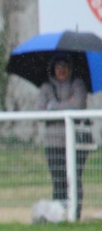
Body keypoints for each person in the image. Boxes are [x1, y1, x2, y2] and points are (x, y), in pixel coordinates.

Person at [37, 52, 91, 220]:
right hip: (53, 143)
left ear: (70, 68)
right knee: (58, 181)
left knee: (74, 180)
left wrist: (52, 106)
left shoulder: (78, 84)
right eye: (58, 66)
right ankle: (58, 216)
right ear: (53, 68)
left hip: (75, 143)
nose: (61, 69)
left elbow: (78, 105)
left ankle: (75, 214)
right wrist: (67, 104)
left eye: (65, 66)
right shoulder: (46, 88)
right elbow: (40, 112)